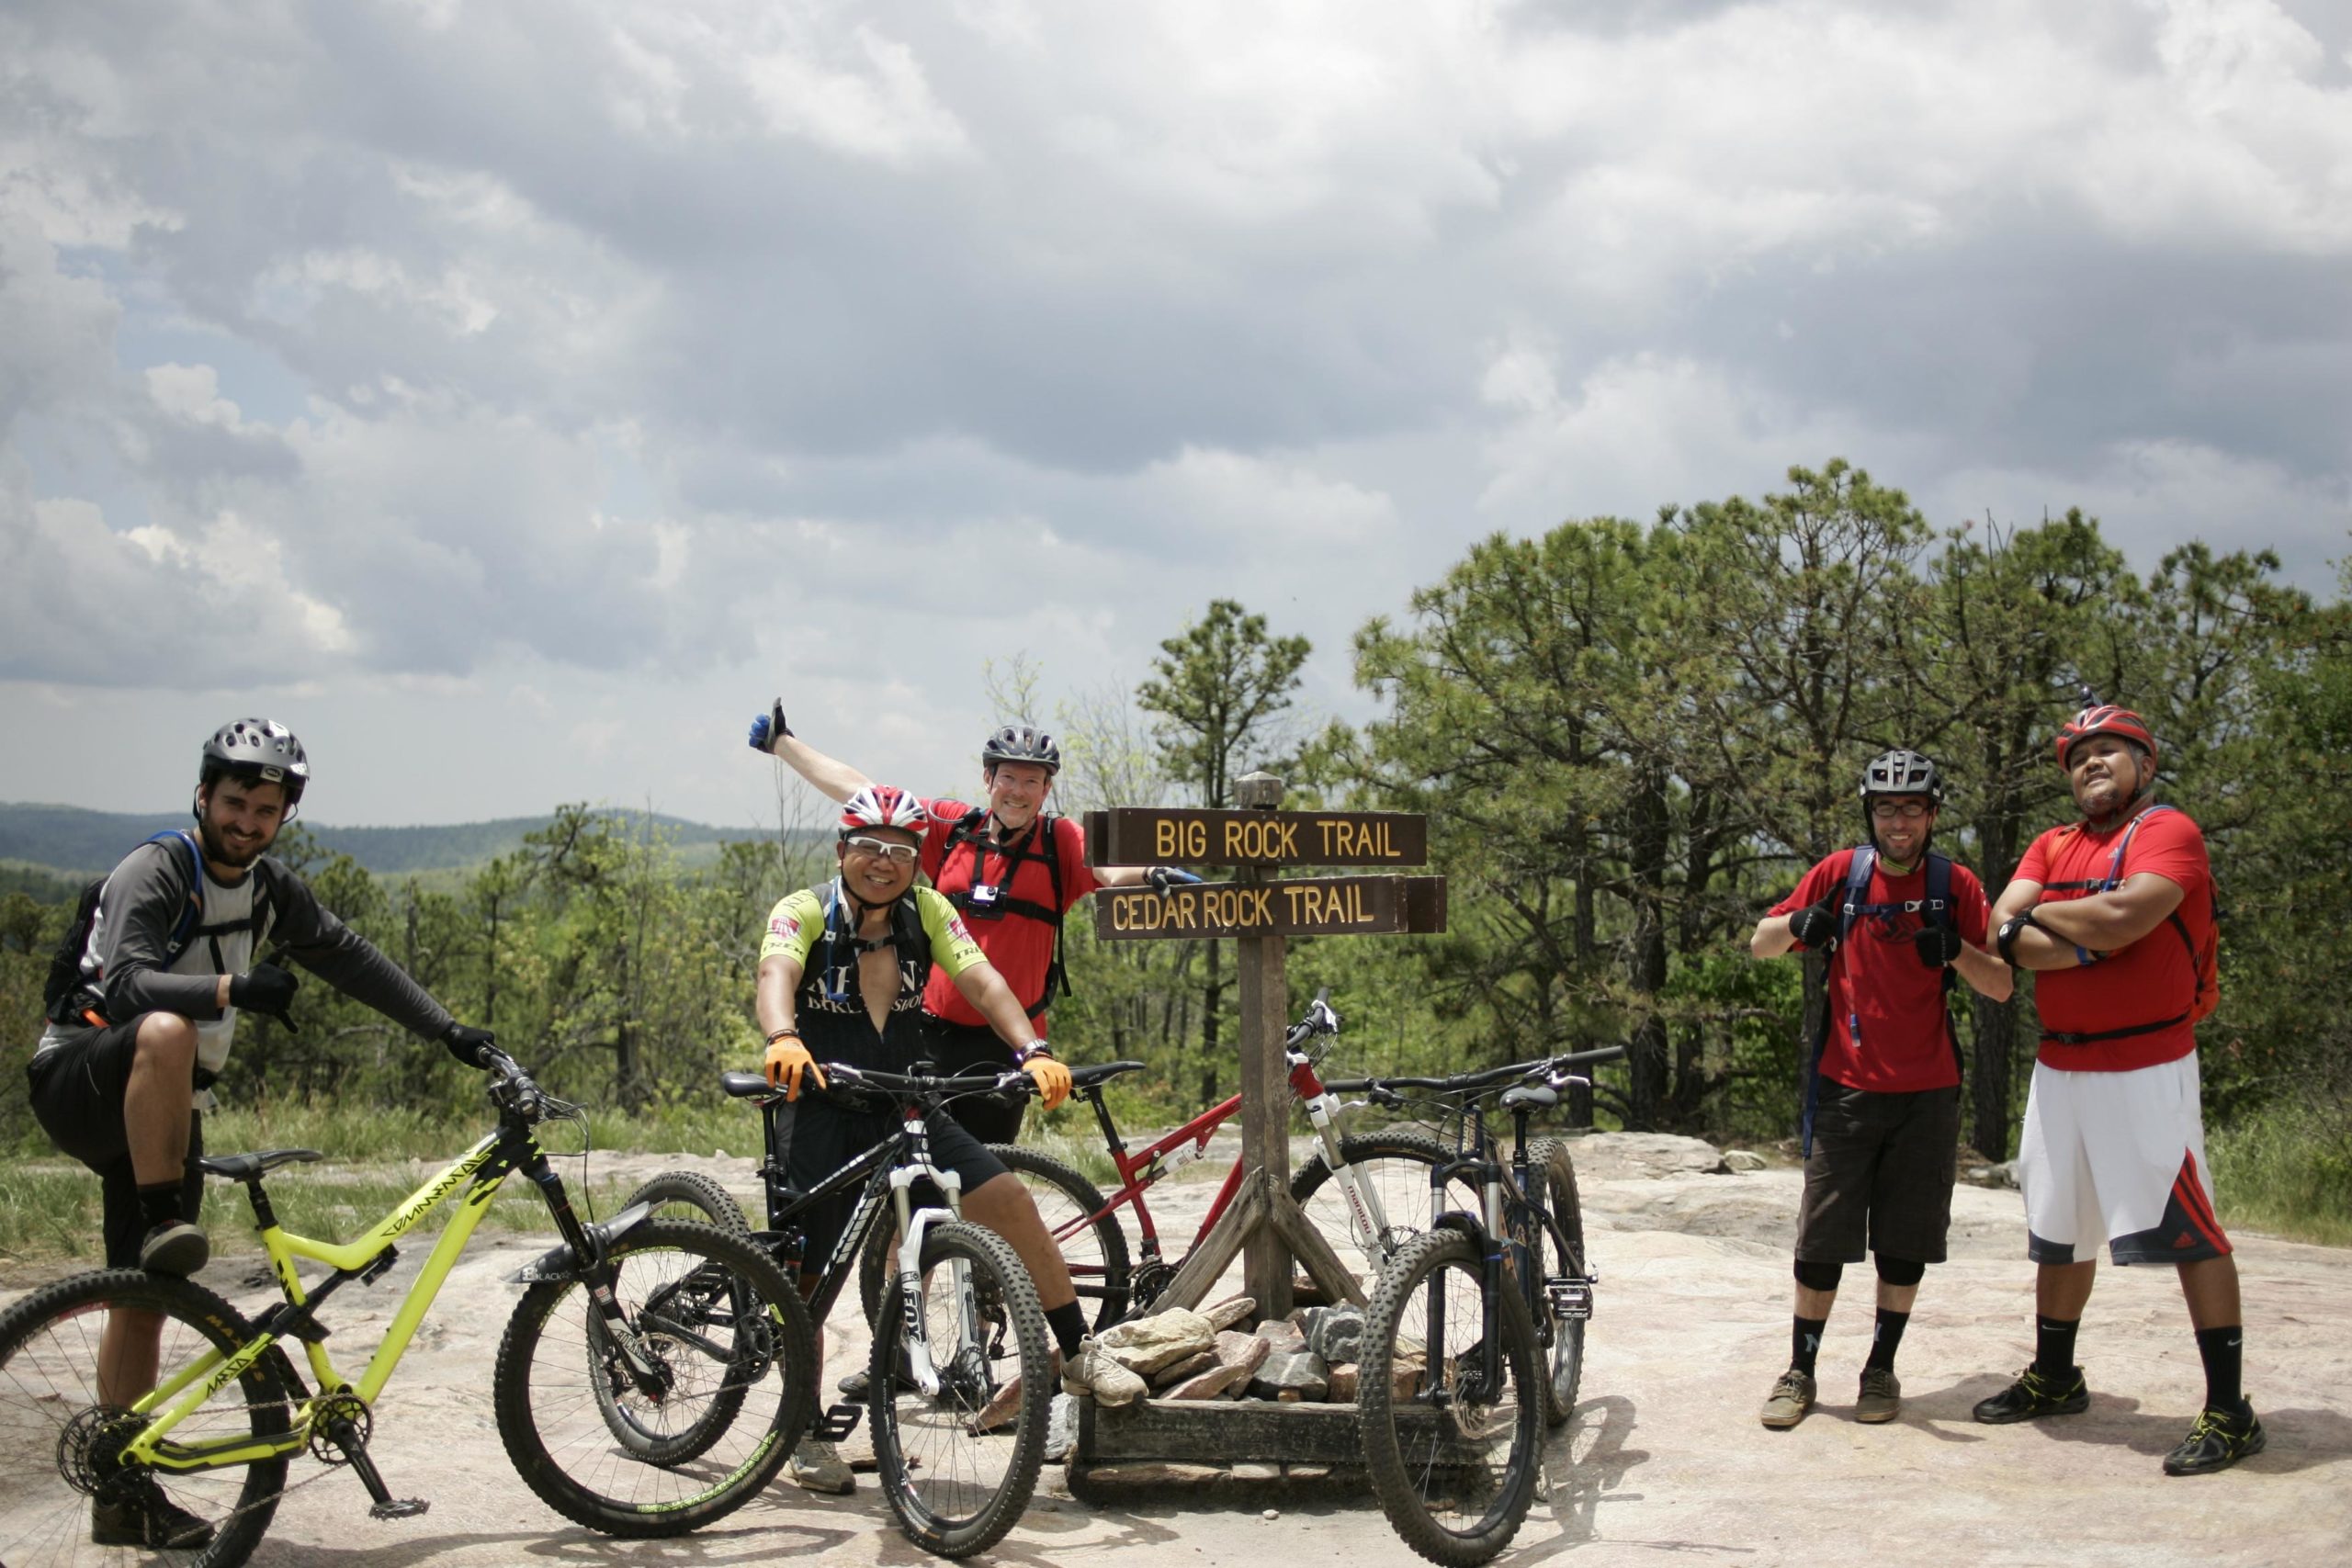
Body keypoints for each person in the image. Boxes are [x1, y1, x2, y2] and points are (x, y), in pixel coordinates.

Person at [26, 718, 498, 1551]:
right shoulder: (160, 867)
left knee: (144, 1302)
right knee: (170, 1030)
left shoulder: (271, 888)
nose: (247, 821)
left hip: (161, 1109)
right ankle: (164, 1210)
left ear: (283, 818)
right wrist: (233, 987)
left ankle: (119, 1486)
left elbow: (351, 958)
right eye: (235, 802)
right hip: (84, 1075)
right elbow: (130, 980)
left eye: (265, 810)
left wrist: (448, 1030)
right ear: (202, 795)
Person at [755, 784, 1089, 1494]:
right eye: (870, 846)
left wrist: (1031, 1046)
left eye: (901, 850)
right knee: (806, 1282)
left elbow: (984, 980)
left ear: (916, 860)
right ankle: (803, 1429)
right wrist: (783, 1034)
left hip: (905, 1104)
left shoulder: (929, 910)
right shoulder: (803, 908)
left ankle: (1081, 1355)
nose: (884, 861)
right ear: (842, 850)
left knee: (1010, 1200)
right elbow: (775, 973)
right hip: (821, 1107)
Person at [1974, 704, 2256, 1476]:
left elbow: (2133, 912)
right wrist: (2081, 936)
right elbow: (2004, 929)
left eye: (2110, 751)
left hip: (2146, 1062)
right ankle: (2057, 1377)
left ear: (2146, 763)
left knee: (2188, 1229)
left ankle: (2232, 1411)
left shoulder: (2168, 831)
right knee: (2059, 1226)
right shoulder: (2051, 841)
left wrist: (2052, 919)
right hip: (2062, 1066)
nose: (2092, 764)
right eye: (2079, 756)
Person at [751, 703, 1176, 1145]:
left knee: (990, 1165)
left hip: (1008, 1040)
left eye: (1032, 781)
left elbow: (1108, 868)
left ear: (1046, 790)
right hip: (928, 1035)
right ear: (988, 780)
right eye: (1008, 777)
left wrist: (1147, 874)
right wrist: (784, 744)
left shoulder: (1059, 841)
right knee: (913, 1166)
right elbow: (863, 794)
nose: (1018, 790)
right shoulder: (953, 828)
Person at [1749, 750, 2011, 1429]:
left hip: (1928, 1092)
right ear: (1871, 812)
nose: (1899, 821)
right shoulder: (1842, 873)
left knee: (1905, 1241)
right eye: (1887, 808)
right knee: (1821, 1239)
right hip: (1846, 1086)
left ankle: (1880, 1368)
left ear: (1931, 814)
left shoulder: (1955, 884)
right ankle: (1800, 1370)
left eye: (1912, 808)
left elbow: (2002, 983)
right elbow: (1760, 941)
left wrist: (1954, 948)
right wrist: (1798, 927)